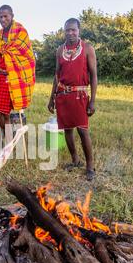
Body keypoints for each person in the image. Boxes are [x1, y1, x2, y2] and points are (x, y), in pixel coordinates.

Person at [48, 18, 98, 181]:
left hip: (80, 95)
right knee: (67, 130)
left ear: (79, 30)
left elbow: (94, 75)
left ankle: (89, 166)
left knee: (83, 130)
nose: (70, 33)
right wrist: (51, 98)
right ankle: (75, 160)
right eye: (67, 30)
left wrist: (93, 101)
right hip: (63, 95)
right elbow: (57, 75)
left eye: (73, 30)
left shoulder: (87, 49)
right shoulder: (59, 50)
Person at [0, 5, 35, 143]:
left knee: (5, 112)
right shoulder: (0, 34)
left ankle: (8, 142)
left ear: (12, 15)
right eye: (0, 16)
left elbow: (25, 56)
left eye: (5, 16)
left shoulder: (20, 31)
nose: (2, 19)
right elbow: (2, 54)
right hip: (1, 76)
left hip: (14, 77)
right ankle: (2, 139)